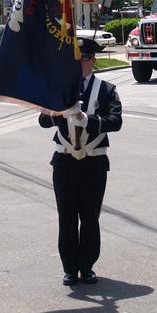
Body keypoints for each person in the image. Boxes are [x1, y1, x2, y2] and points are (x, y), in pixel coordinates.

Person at [38, 38, 123, 286]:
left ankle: (87, 266)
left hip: (93, 161)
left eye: (85, 58)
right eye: (77, 59)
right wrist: (61, 112)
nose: (81, 63)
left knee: (89, 217)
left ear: (93, 61)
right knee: (66, 217)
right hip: (65, 160)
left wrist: (90, 120)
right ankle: (69, 267)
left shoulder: (106, 89)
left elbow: (116, 121)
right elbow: (43, 121)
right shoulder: (59, 88)